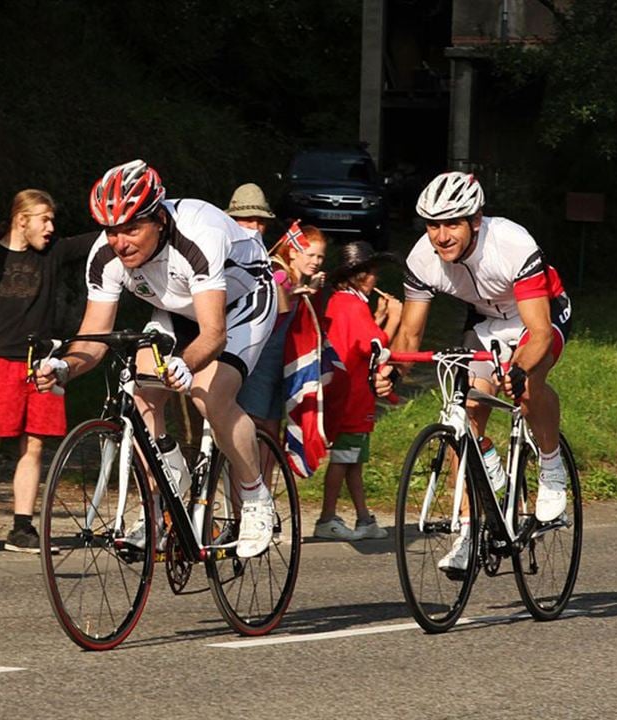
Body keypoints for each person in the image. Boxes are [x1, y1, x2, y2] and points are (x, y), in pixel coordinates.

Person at [34, 160, 278, 559]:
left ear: (160, 219)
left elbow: (213, 333)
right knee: (142, 389)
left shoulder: (199, 233)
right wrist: (65, 366)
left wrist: (186, 363)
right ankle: (163, 502)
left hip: (242, 301)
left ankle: (254, 496)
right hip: (178, 308)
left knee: (209, 394)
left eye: (131, 228)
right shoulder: (104, 256)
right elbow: (93, 340)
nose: (120, 241)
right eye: (112, 230)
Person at [373, 171, 572, 571]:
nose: (441, 236)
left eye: (452, 224)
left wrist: (517, 370)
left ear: (475, 221)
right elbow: (410, 335)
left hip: (538, 315)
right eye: (433, 225)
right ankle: (469, 529)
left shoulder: (511, 243)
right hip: (487, 322)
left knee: (526, 385)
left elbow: (538, 334)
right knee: (463, 418)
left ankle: (552, 468)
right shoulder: (421, 259)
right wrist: (394, 370)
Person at [0, 190, 96, 553]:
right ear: (21, 220)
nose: (51, 227)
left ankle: (22, 527)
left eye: (52, 220)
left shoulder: (54, 252)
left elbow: (97, 239)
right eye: (44, 219)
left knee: (36, 443)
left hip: (42, 362)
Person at [319, 241, 401, 541]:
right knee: (343, 459)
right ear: (360, 276)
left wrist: (376, 318)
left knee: (352, 460)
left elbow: (356, 339)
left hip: (344, 394)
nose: (376, 279)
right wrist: (394, 318)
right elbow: (376, 348)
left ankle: (364, 518)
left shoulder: (340, 302)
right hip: (353, 397)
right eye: (372, 273)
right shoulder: (353, 305)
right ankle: (326, 517)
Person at [236, 223, 327, 448]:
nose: (316, 261)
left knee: (271, 428)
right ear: (294, 252)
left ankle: (264, 480)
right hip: (261, 360)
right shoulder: (279, 273)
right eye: (311, 255)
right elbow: (275, 299)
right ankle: (244, 478)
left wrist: (309, 291)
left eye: (320, 257)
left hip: (281, 362)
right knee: (255, 422)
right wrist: (293, 292)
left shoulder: (298, 279)